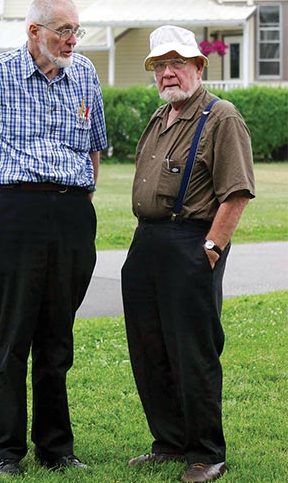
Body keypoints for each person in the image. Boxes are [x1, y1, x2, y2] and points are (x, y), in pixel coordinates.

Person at [0, 0, 107, 476]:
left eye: (76, 30)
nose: (72, 39)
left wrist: (81, 201)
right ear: (34, 31)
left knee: (58, 338)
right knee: (14, 335)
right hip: (15, 213)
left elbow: (95, 146)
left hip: (72, 214)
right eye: (64, 30)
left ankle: (56, 449)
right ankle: (7, 451)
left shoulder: (84, 75)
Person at [121, 25, 255, 483]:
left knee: (193, 352)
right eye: (160, 66)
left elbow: (235, 194)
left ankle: (206, 453)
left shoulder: (222, 117)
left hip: (191, 243)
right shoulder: (160, 118)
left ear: (199, 67)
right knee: (149, 347)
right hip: (147, 243)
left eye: (177, 63)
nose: (168, 73)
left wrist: (212, 249)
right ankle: (169, 443)